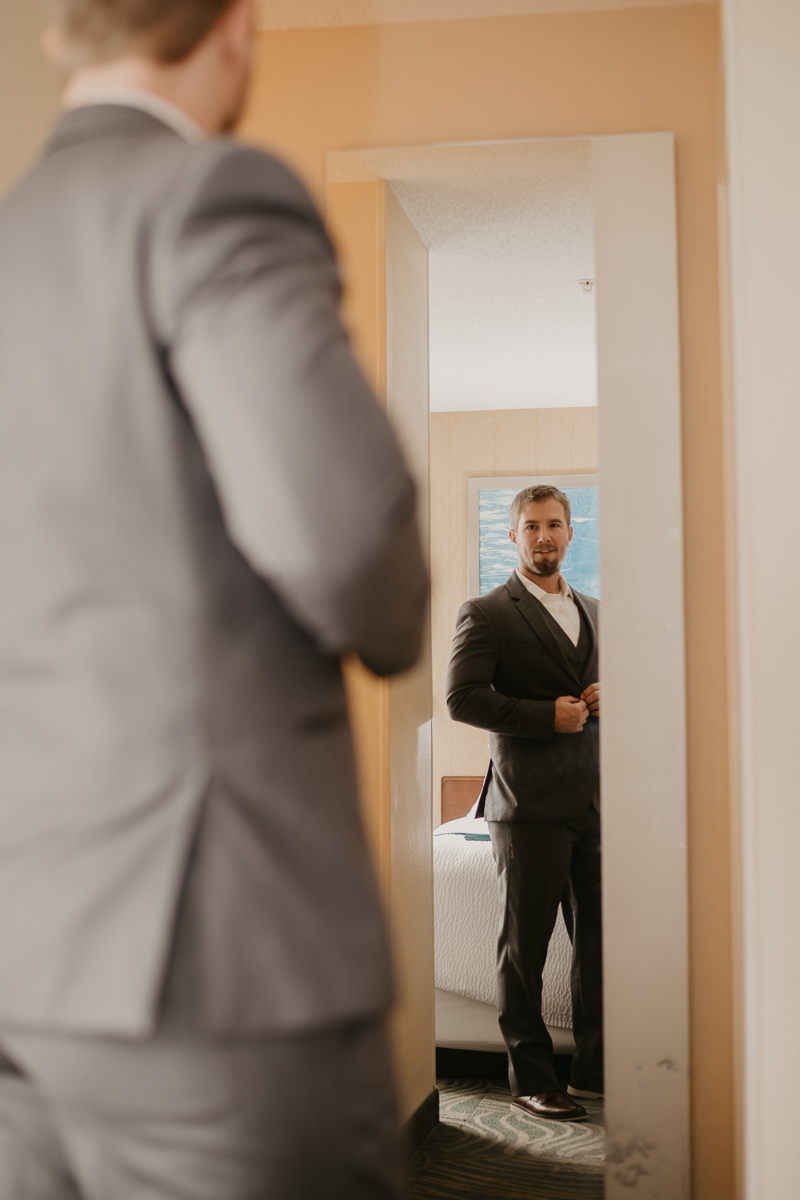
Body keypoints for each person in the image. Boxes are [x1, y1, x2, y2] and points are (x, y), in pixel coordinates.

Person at [0, 1, 428, 1197]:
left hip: (26, 949)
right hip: (208, 948)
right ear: (237, 30)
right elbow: (353, 555)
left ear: (59, 36)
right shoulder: (207, 196)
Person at [446, 484, 602, 1122]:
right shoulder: (486, 611)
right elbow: (462, 698)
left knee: (601, 944)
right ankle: (531, 1078)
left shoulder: (596, 608)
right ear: (514, 536)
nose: (545, 536)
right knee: (525, 948)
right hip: (528, 805)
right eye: (532, 525)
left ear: (572, 533)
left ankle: (595, 1069)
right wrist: (547, 717)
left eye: (556, 525)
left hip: (596, 800)